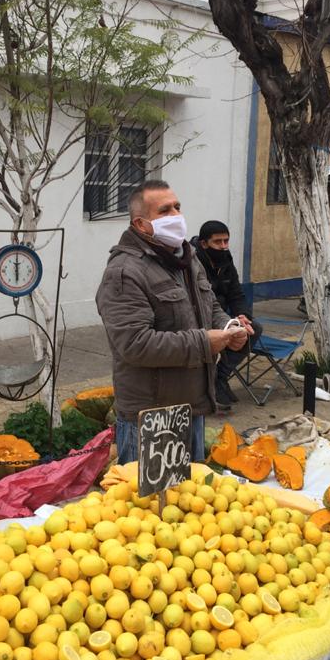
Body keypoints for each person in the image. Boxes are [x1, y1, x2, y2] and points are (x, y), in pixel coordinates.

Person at [96, 180, 252, 464]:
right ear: (141, 224)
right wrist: (205, 342)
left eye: (177, 207)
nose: (176, 216)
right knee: (148, 505)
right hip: (151, 414)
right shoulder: (123, 272)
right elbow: (134, 344)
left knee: (186, 501)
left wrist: (230, 329)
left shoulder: (188, 259)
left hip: (193, 405)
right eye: (165, 210)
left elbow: (210, 305)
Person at [191, 220, 262, 410]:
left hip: (224, 315)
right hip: (202, 317)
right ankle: (210, 382)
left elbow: (236, 294)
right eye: (218, 242)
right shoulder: (192, 263)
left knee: (252, 328)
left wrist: (242, 315)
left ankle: (220, 376)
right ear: (204, 244)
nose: (223, 246)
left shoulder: (226, 261)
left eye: (226, 241)